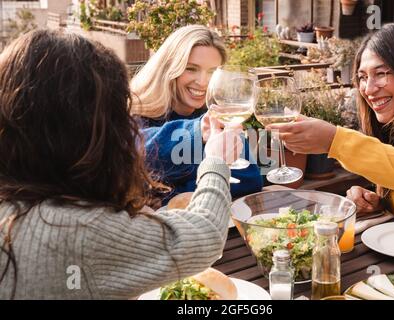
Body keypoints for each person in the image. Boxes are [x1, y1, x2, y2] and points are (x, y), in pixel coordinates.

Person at [0, 29, 243, 299]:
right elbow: (202, 238)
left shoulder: (23, 200)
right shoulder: (78, 229)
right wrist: (214, 157)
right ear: (86, 126)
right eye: (115, 113)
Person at [266, 23, 394, 219]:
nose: (368, 90)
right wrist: (378, 202)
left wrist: (335, 141)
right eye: (362, 77)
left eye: (380, 74)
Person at [130, 25, 263, 204]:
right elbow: (133, 160)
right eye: (191, 68)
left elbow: (249, 179)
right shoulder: (136, 112)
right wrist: (197, 132)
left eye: (212, 72)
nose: (203, 82)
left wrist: (175, 192)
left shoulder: (215, 115)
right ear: (169, 68)